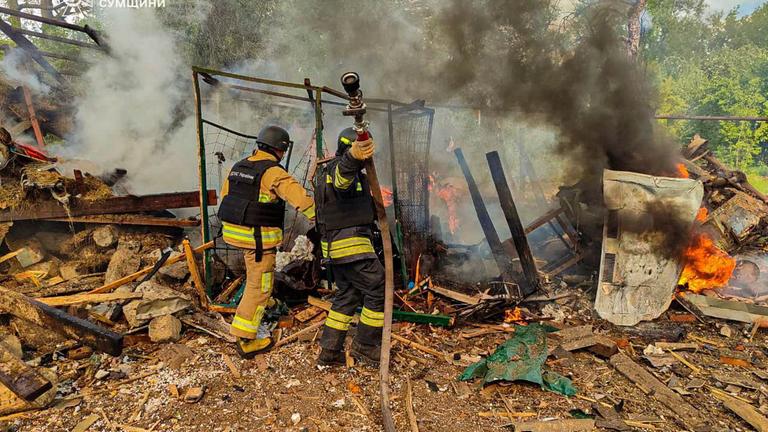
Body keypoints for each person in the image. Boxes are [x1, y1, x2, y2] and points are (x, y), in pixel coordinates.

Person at [218, 125, 315, 358]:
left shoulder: (239, 167)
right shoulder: (273, 172)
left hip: (234, 234)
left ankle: (265, 304)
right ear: (280, 149)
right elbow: (301, 200)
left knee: (256, 278)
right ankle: (246, 338)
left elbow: (225, 197)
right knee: (259, 285)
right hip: (258, 240)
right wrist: (324, 218)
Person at [314, 127, 385, 366]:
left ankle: (329, 351)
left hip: (336, 249)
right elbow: (342, 180)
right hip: (351, 245)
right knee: (379, 286)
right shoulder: (340, 169)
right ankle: (365, 346)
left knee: (348, 295)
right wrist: (353, 157)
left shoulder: (325, 172)